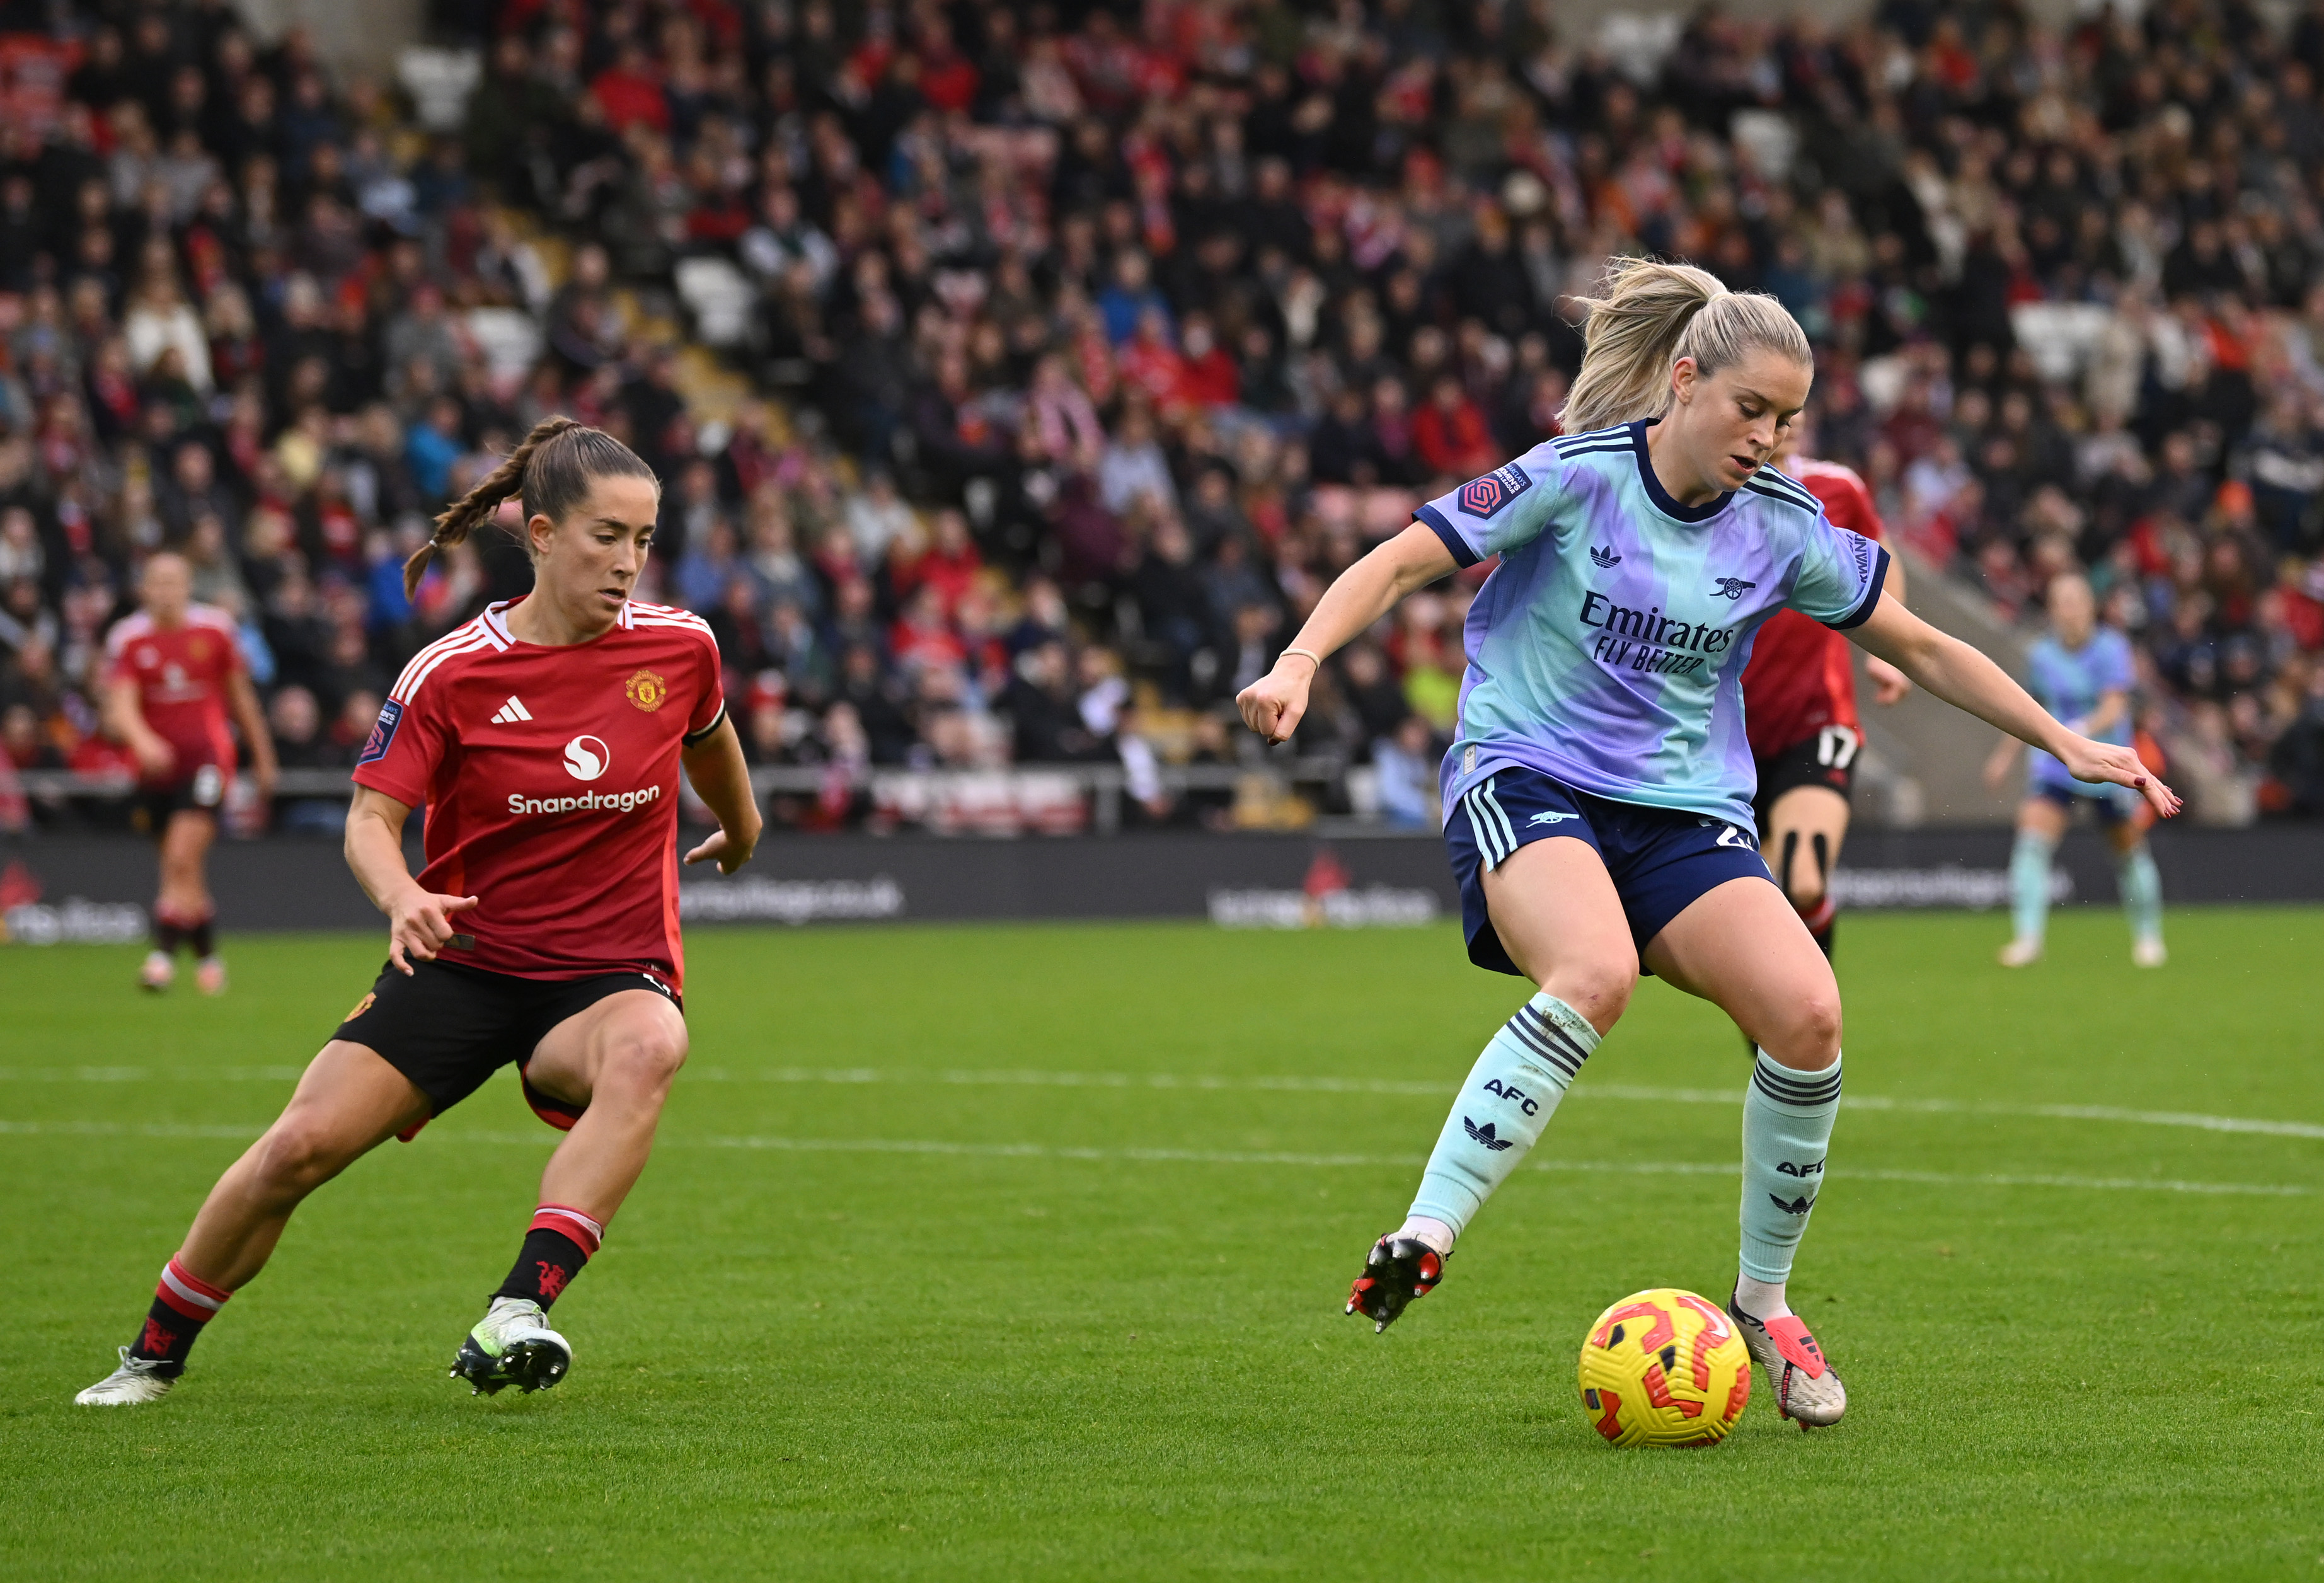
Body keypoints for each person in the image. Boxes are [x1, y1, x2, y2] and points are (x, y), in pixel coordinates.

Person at [1235, 259, 2177, 1429]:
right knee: (1594, 974)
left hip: (1683, 813)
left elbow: (1924, 647)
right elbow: (1399, 561)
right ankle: (1425, 1229)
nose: (1770, 437)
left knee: (1808, 1012)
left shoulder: (1782, 526)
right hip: (1528, 777)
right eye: (1751, 409)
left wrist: (2063, 739)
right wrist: (1298, 660)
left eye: (1788, 418)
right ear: (1683, 379)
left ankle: (1763, 1303)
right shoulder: (1572, 480)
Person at [76, 418, 764, 1407]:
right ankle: (153, 1353)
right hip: (464, 959)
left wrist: (741, 831)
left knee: (652, 1044)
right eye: (604, 536)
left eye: (644, 539)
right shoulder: (452, 672)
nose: (628, 563)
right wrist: (401, 893)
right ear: (538, 533)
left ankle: (519, 1308)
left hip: (605, 973)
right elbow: (370, 817)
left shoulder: (680, 647)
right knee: (296, 1151)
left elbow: (710, 739)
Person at [1735, 412, 1912, 958]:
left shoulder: (1837, 488)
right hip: (1727, 733)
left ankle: (1808, 1029)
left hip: (1815, 721)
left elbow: (1883, 557)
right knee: (1755, 910)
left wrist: (1892, 650)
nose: (1781, 423)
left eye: (1789, 410)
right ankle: (1779, 1031)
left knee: (1803, 879)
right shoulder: (1717, 493)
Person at [101, 551, 277, 994]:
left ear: (187, 586)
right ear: (143, 589)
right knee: (184, 869)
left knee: (181, 856)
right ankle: (208, 960)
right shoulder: (128, 639)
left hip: (208, 762)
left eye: (173, 582)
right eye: (155, 582)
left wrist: (263, 758)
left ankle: (160, 959)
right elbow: (120, 705)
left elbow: (242, 700)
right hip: (155, 769)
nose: (164, 591)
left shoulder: (215, 630)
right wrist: (143, 742)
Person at [1983, 573, 2165, 968]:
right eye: (2060, 602)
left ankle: (2148, 938)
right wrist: (2004, 757)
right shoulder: (2041, 655)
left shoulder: (2112, 648)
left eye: (2075, 601)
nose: (2068, 610)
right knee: (2032, 842)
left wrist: (2080, 733)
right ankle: (2028, 939)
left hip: (2107, 763)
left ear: (2090, 607)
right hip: (2055, 763)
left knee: (2128, 850)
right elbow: (2028, 710)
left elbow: (2115, 707)